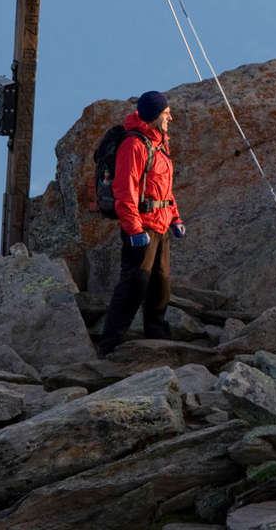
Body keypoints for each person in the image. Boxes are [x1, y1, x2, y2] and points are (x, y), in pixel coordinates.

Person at [98, 90, 186, 355]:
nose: (170, 115)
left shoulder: (159, 143)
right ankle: (111, 343)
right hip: (142, 226)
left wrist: (176, 218)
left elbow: (164, 188)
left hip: (161, 224)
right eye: (166, 112)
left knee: (160, 282)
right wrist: (134, 229)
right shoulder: (134, 145)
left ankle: (156, 335)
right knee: (134, 283)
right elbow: (125, 191)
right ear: (155, 115)